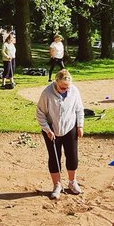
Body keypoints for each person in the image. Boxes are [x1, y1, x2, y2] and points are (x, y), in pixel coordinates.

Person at [35, 68, 84, 199]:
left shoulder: (74, 91)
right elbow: (40, 113)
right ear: (56, 82)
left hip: (70, 128)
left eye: (67, 87)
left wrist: (80, 125)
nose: (65, 90)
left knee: (72, 156)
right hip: (52, 130)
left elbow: (79, 110)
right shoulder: (47, 93)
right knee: (54, 157)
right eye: (63, 88)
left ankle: (72, 182)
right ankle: (57, 185)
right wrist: (47, 129)